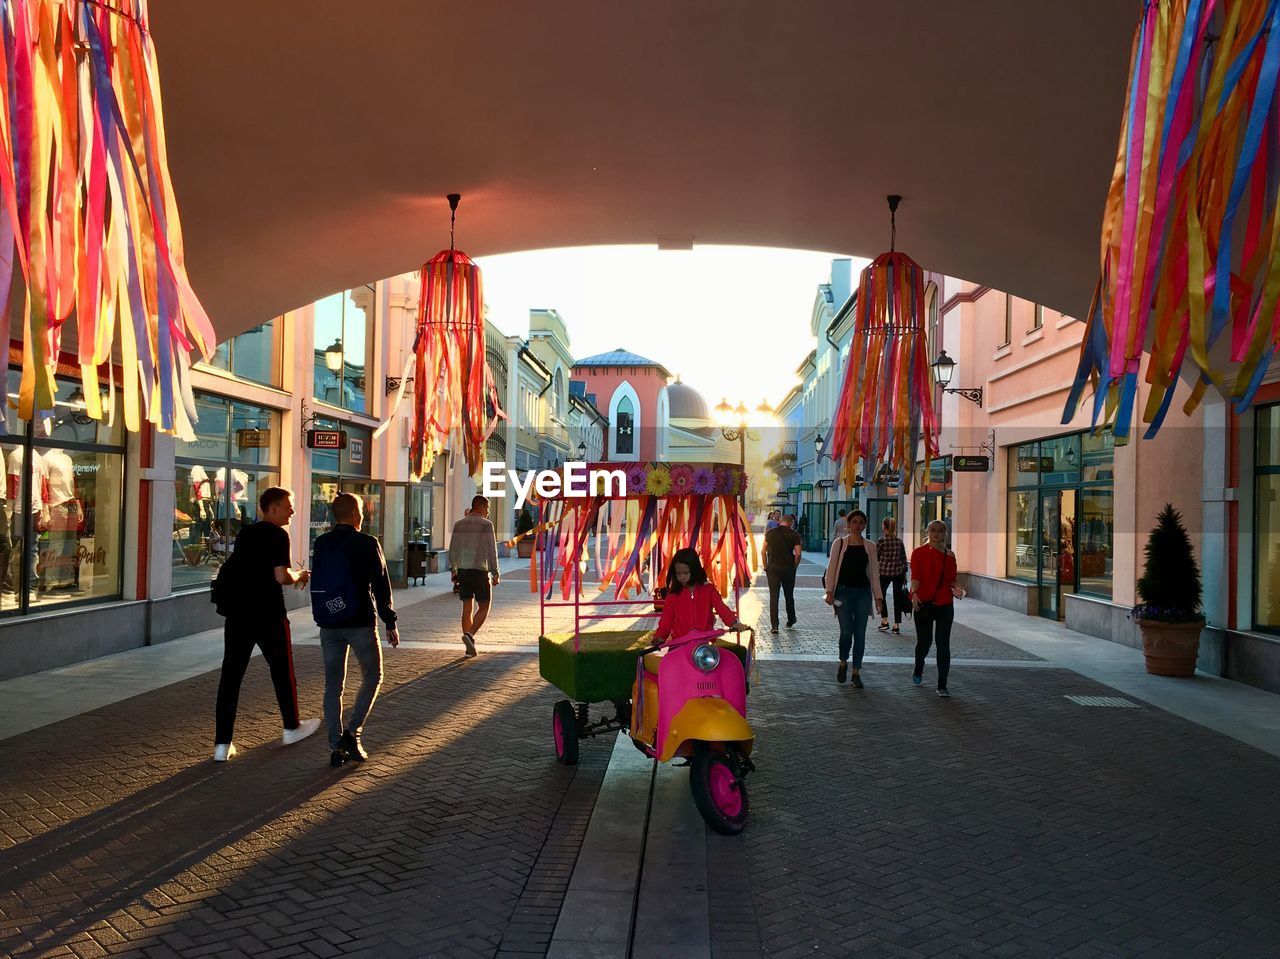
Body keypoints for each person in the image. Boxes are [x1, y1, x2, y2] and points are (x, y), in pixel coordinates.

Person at [213, 487, 320, 761]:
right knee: (282, 671)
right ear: (272, 508)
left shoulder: (246, 532)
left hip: (238, 613)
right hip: (268, 614)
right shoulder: (278, 535)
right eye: (288, 506)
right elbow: (281, 577)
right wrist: (301, 576)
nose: (292, 511)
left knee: (231, 677)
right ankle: (291, 726)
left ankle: (222, 745)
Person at [311, 492, 400, 768]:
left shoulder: (322, 543)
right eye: (361, 510)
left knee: (332, 686)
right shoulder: (367, 543)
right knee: (373, 676)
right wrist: (390, 621)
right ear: (354, 514)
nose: (363, 514)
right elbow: (382, 585)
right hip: (360, 621)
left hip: (329, 624)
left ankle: (335, 745)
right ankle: (353, 732)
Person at [823, 509, 885, 689]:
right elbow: (832, 568)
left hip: (862, 594)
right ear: (848, 525)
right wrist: (829, 591)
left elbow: (874, 573)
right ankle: (843, 661)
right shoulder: (839, 543)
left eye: (861, 522)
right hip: (843, 593)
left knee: (860, 634)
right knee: (846, 632)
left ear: (865, 525)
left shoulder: (870, 546)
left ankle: (856, 671)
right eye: (854, 522)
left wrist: (878, 597)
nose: (858, 525)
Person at [910, 519, 962, 698]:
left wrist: (957, 587)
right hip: (923, 602)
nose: (936, 533)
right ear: (927, 532)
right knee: (924, 643)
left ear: (945, 534)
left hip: (945, 603)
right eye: (933, 530)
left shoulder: (950, 555)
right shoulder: (918, 553)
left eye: (940, 530)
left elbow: (951, 579)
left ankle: (942, 684)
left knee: (943, 644)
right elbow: (915, 577)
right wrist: (914, 593)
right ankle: (919, 666)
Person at [654, 548, 747, 642]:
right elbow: (666, 619)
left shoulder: (708, 589)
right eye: (678, 574)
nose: (682, 577)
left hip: (704, 643)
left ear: (694, 570)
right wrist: (660, 636)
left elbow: (722, 608)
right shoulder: (673, 594)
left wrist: (733, 623)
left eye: (685, 573)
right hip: (680, 643)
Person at [450, 494, 500, 656]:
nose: (488, 512)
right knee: (485, 605)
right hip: (480, 570)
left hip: (463, 571)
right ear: (482, 506)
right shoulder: (486, 525)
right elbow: (492, 550)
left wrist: (454, 570)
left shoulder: (459, 525)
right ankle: (470, 635)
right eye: (488, 508)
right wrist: (495, 572)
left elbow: (453, 550)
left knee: (467, 607)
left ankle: (469, 648)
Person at [761, 513, 802, 634]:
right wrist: (794, 566)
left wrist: (766, 566)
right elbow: (798, 554)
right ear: (791, 523)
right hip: (788, 568)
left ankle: (774, 626)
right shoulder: (794, 534)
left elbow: (763, 551)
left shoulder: (771, 533)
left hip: (773, 567)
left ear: (781, 521)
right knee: (789, 595)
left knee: (774, 597)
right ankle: (791, 619)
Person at [876, 516, 909, 635]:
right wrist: (905, 576)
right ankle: (897, 625)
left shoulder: (881, 541)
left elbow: (876, 557)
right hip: (898, 573)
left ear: (884, 527)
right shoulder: (899, 542)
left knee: (881, 595)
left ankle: (884, 621)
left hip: (884, 572)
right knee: (897, 597)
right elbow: (904, 559)